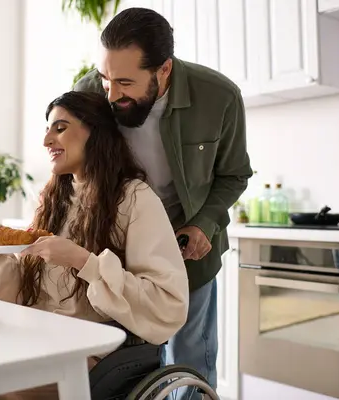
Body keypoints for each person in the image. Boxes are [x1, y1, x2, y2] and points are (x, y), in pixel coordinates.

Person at [0, 91, 189, 400]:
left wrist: (84, 262)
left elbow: (167, 304)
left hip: (92, 356)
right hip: (36, 343)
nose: (47, 140)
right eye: (48, 129)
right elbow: (11, 295)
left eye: (60, 128)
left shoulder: (134, 198)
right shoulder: (51, 200)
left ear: (95, 132)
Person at [73, 7, 253, 397]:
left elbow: (234, 174)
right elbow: (68, 164)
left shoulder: (219, 96)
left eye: (124, 82)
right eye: (105, 78)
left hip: (189, 254)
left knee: (189, 364)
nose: (111, 94)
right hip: (113, 253)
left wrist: (204, 223)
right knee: (115, 364)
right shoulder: (90, 92)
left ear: (164, 70)